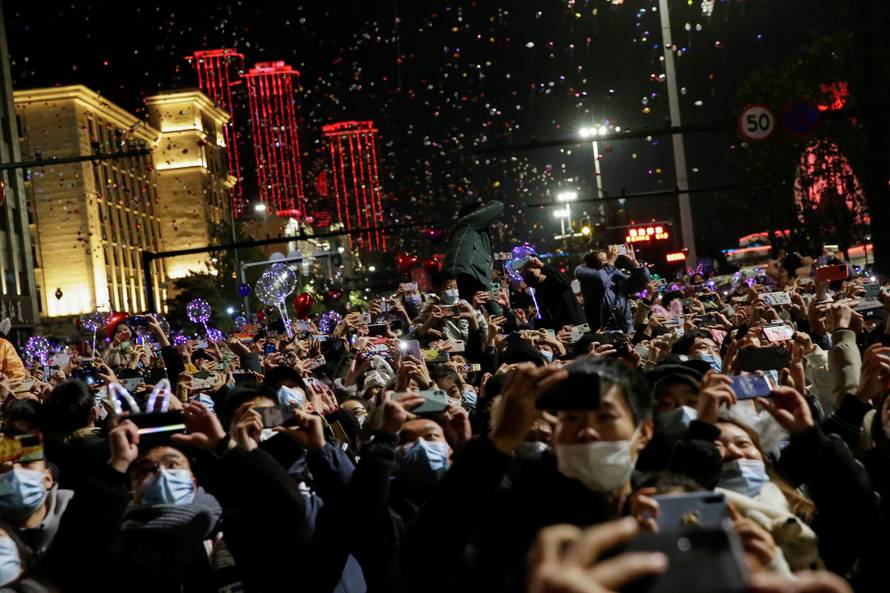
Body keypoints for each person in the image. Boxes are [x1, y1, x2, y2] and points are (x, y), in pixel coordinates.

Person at [575, 246, 650, 333]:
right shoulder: (589, 281)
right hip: (603, 334)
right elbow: (601, 282)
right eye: (604, 260)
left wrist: (634, 263)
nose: (608, 260)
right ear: (593, 267)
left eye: (608, 258)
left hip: (625, 333)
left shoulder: (616, 278)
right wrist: (610, 263)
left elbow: (643, 283)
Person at [442, 199, 504, 304]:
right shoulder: (469, 221)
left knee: (495, 311)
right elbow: (498, 205)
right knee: (492, 311)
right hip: (467, 275)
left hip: (475, 279)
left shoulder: (474, 232)